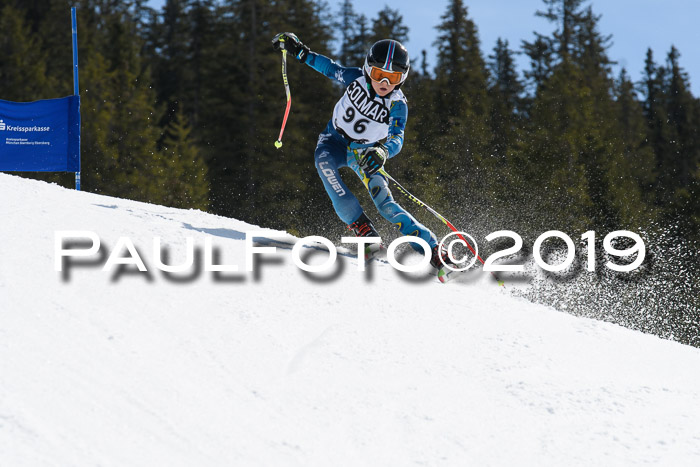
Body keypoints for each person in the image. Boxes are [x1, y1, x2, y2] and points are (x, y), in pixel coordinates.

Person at [271, 32, 453, 275]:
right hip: (333, 142)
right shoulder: (355, 77)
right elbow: (329, 68)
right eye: (379, 74)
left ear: (402, 79)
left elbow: (397, 138)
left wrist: (382, 152)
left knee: (386, 205)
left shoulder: (398, 104)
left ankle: (433, 249)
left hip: (365, 153)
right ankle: (361, 227)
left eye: (392, 78)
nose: (384, 83)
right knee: (323, 164)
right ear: (369, 69)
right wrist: (300, 51)